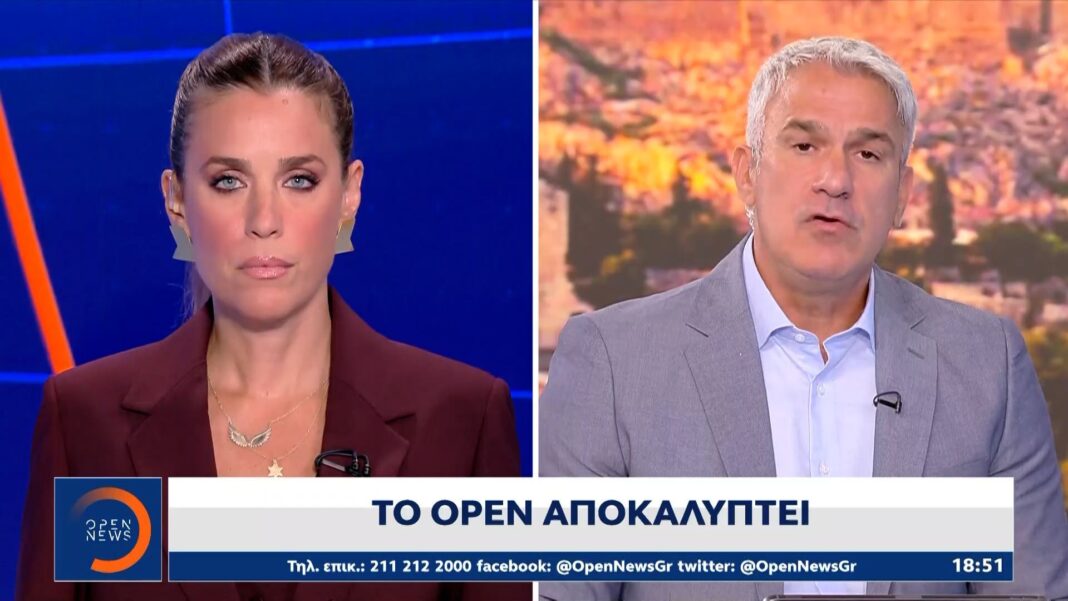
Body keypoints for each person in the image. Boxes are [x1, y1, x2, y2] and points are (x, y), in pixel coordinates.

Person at [540, 36, 1068, 601]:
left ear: (902, 196)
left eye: (868, 154)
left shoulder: (987, 365)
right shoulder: (613, 364)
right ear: (747, 173)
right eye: (804, 145)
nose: (835, 180)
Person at [16, 32, 528, 601]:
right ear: (177, 201)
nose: (264, 220)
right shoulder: (85, 423)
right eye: (228, 181)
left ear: (350, 195)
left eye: (299, 180)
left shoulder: (460, 420)